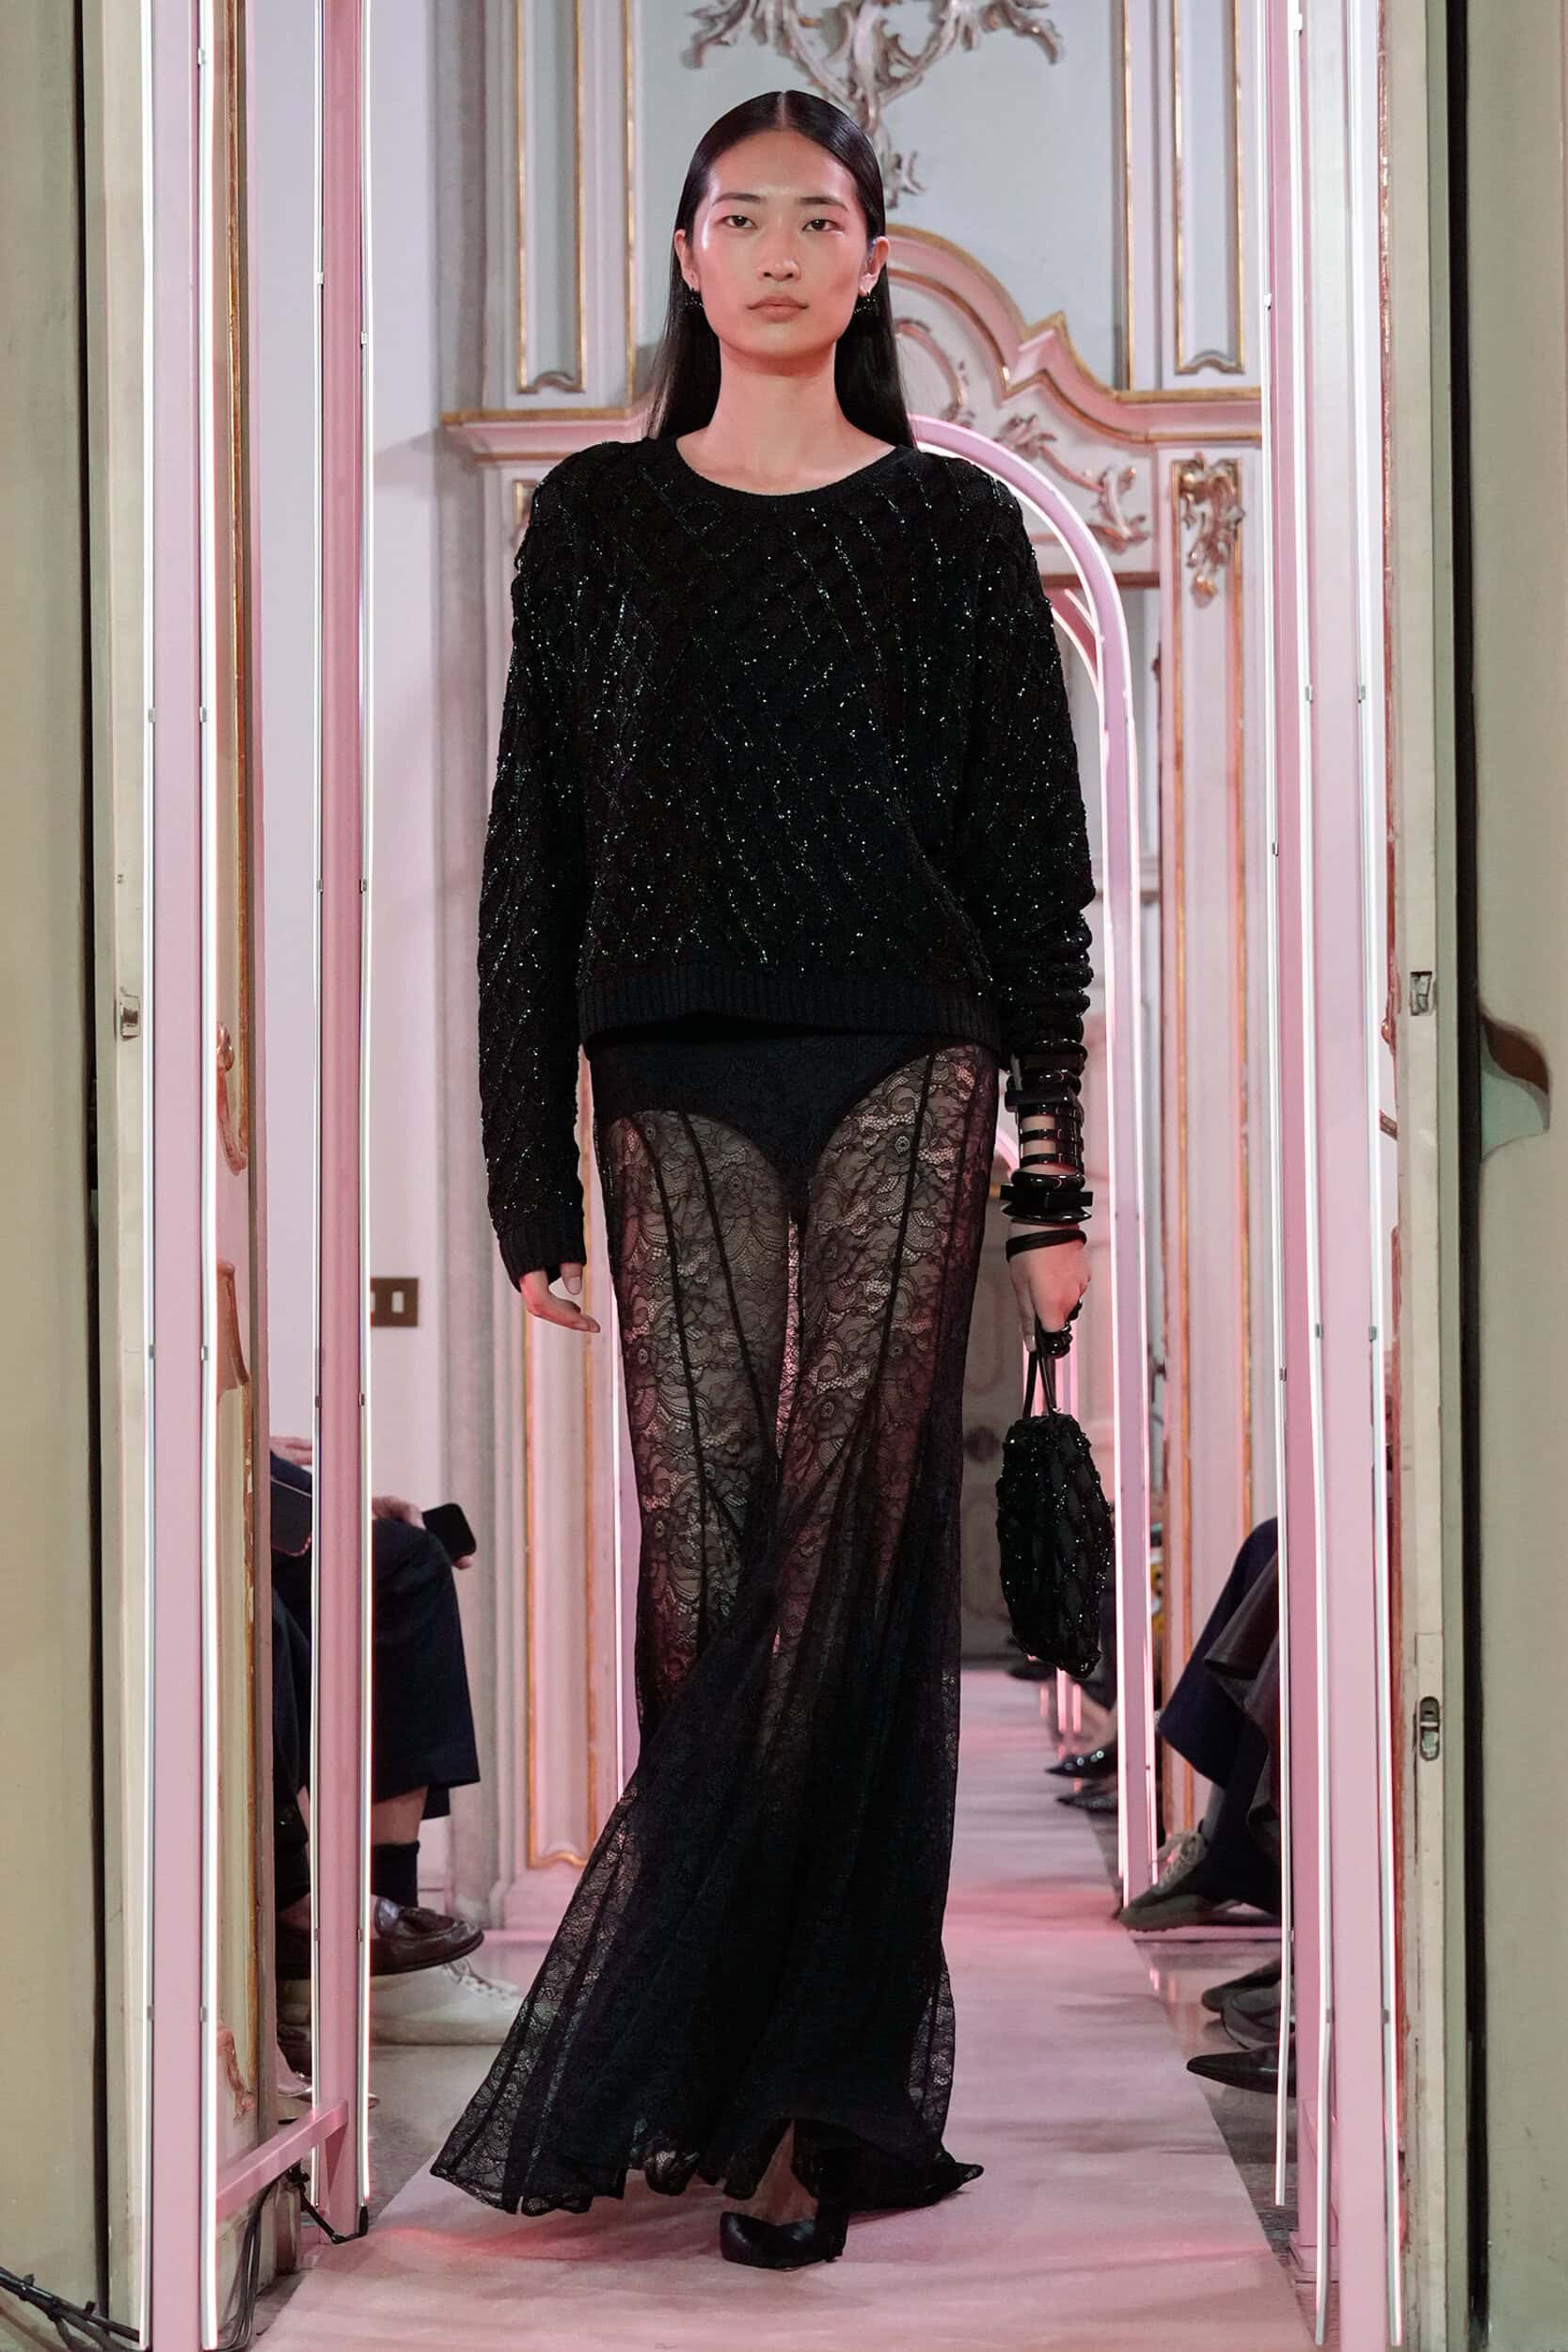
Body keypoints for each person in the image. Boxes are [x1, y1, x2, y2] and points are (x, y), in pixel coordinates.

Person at [431, 89, 1096, 2270]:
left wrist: (1056, 1183)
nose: (785, 249)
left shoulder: (953, 529)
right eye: (746, 215)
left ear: (872, 259)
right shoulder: (599, 523)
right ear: (691, 254)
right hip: (669, 1054)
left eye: (823, 216)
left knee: (850, 1552)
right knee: (706, 1560)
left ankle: (811, 2087)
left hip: (907, 1046)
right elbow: (531, 852)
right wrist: (524, 1173)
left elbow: (1037, 870)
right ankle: (718, 2043)